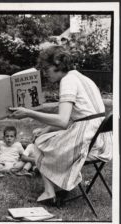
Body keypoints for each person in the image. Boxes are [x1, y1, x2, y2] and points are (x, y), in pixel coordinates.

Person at [9, 46, 112, 204]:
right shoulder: (83, 78)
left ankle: (49, 191)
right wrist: (47, 129)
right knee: (45, 136)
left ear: (57, 63)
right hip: (102, 141)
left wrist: (29, 113)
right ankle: (61, 186)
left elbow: (63, 120)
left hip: (87, 142)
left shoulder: (68, 81)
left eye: (46, 68)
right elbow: (76, 117)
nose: (44, 73)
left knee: (39, 143)